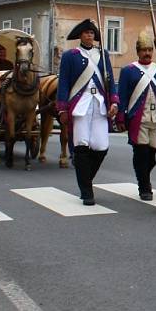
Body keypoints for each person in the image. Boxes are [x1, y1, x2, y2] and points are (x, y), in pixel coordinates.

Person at [56, 19, 119, 206]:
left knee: (101, 146)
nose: (89, 35)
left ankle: (85, 178)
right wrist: (62, 108)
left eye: (92, 33)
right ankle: (86, 191)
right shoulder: (70, 56)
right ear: (80, 36)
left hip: (99, 104)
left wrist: (114, 101)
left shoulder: (103, 55)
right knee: (82, 146)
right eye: (86, 32)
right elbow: (64, 83)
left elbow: (110, 81)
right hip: (80, 105)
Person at [117, 32, 156, 201]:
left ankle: (143, 174)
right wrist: (120, 117)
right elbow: (122, 95)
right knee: (141, 152)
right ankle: (144, 186)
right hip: (138, 118)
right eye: (144, 50)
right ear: (138, 51)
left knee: (155, 153)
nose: (147, 53)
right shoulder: (128, 70)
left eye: (150, 49)